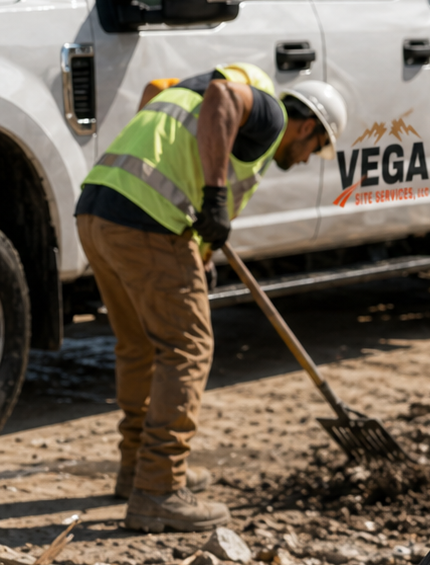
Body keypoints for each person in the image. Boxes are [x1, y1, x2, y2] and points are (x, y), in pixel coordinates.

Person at [75, 64, 347, 533]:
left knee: (141, 344)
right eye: (315, 148)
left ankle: (136, 469)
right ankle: (159, 489)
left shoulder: (194, 91)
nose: (306, 158)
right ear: (307, 127)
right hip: (146, 222)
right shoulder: (270, 114)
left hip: (99, 209)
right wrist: (213, 199)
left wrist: (199, 248)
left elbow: (153, 92)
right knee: (187, 349)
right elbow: (223, 97)